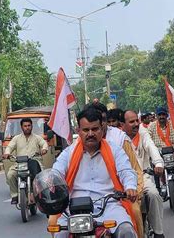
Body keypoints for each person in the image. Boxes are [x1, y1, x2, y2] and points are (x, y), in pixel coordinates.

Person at [52, 108, 138, 238]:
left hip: (109, 206)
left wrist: (130, 187)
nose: (90, 134)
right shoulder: (68, 153)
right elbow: (56, 172)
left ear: (102, 130)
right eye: (86, 130)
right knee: (59, 234)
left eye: (95, 129)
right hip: (75, 209)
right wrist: (51, 183)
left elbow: (126, 171)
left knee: (126, 231)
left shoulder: (115, 150)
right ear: (78, 131)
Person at [86, 102, 145, 238]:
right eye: (88, 127)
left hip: (116, 197)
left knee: (134, 213)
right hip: (83, 203)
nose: (92, 132)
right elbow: (59, 174)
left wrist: (132, 189)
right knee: (56, 224)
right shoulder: (74, 149)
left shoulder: (118, 141)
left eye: (101, 122)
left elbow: (131, 170)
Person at [123, 110, 165, 238]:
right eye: (131, 122)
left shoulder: (143, 133)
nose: (136, 124)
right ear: (123, 124)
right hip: (124, 181)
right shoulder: (118, 137)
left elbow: (151, 147)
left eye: (137, 120)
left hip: (143, 176)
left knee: (153, 194)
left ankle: (159, 232)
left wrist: (158, 163)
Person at [3, 118, 48, 204]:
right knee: (10, 175)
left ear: (32, 126)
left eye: (29, 126)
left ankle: (40, 196)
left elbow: (44, 144)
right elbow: (9, 147)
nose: (27, 128)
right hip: (20, 163)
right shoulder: (16, 138)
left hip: (34, 162)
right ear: (21, 127)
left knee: (41, 178)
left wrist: (44, 149)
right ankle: (15, 195)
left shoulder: (37, 138)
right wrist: (7, 153)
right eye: (25, 126)